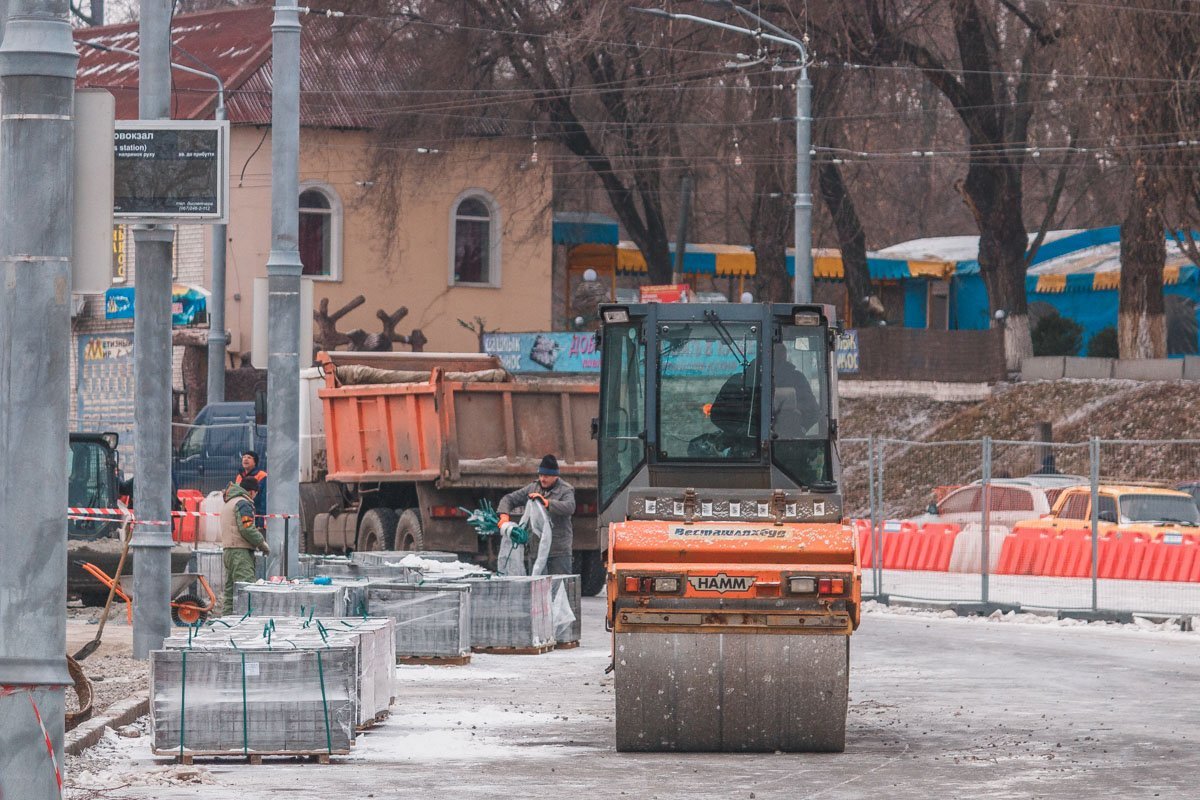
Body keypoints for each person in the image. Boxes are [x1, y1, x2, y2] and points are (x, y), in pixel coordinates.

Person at [497, 454, 576, 576]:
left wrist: (547, 503)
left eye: (546, 476)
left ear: (555, 476)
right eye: (540, 475)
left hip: (558, 551)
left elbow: (570, 507)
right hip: (536, 550)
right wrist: (504, 516)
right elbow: (509, 499)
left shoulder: (566, 490)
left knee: (560, 588)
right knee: (537, 590)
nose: (542, 479)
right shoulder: (534, 487)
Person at [220, 476, 270, 615]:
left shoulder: (230, 501)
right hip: (240, 553)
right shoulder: (243, 503)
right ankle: (245, 623)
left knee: (230, 592)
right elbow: (247, 528)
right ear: (252, 492)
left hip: (229, 551)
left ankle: (226, 622)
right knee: (246, 590)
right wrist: (261, 543)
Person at [235, 450, 268, 518]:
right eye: (244, 457)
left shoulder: (262, 476)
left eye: (249, 457)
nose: (245, 459)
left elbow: (263, 499)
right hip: (241, 511)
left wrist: (261, 521)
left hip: (256, 513)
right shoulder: (239, 476)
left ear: (255, 462)